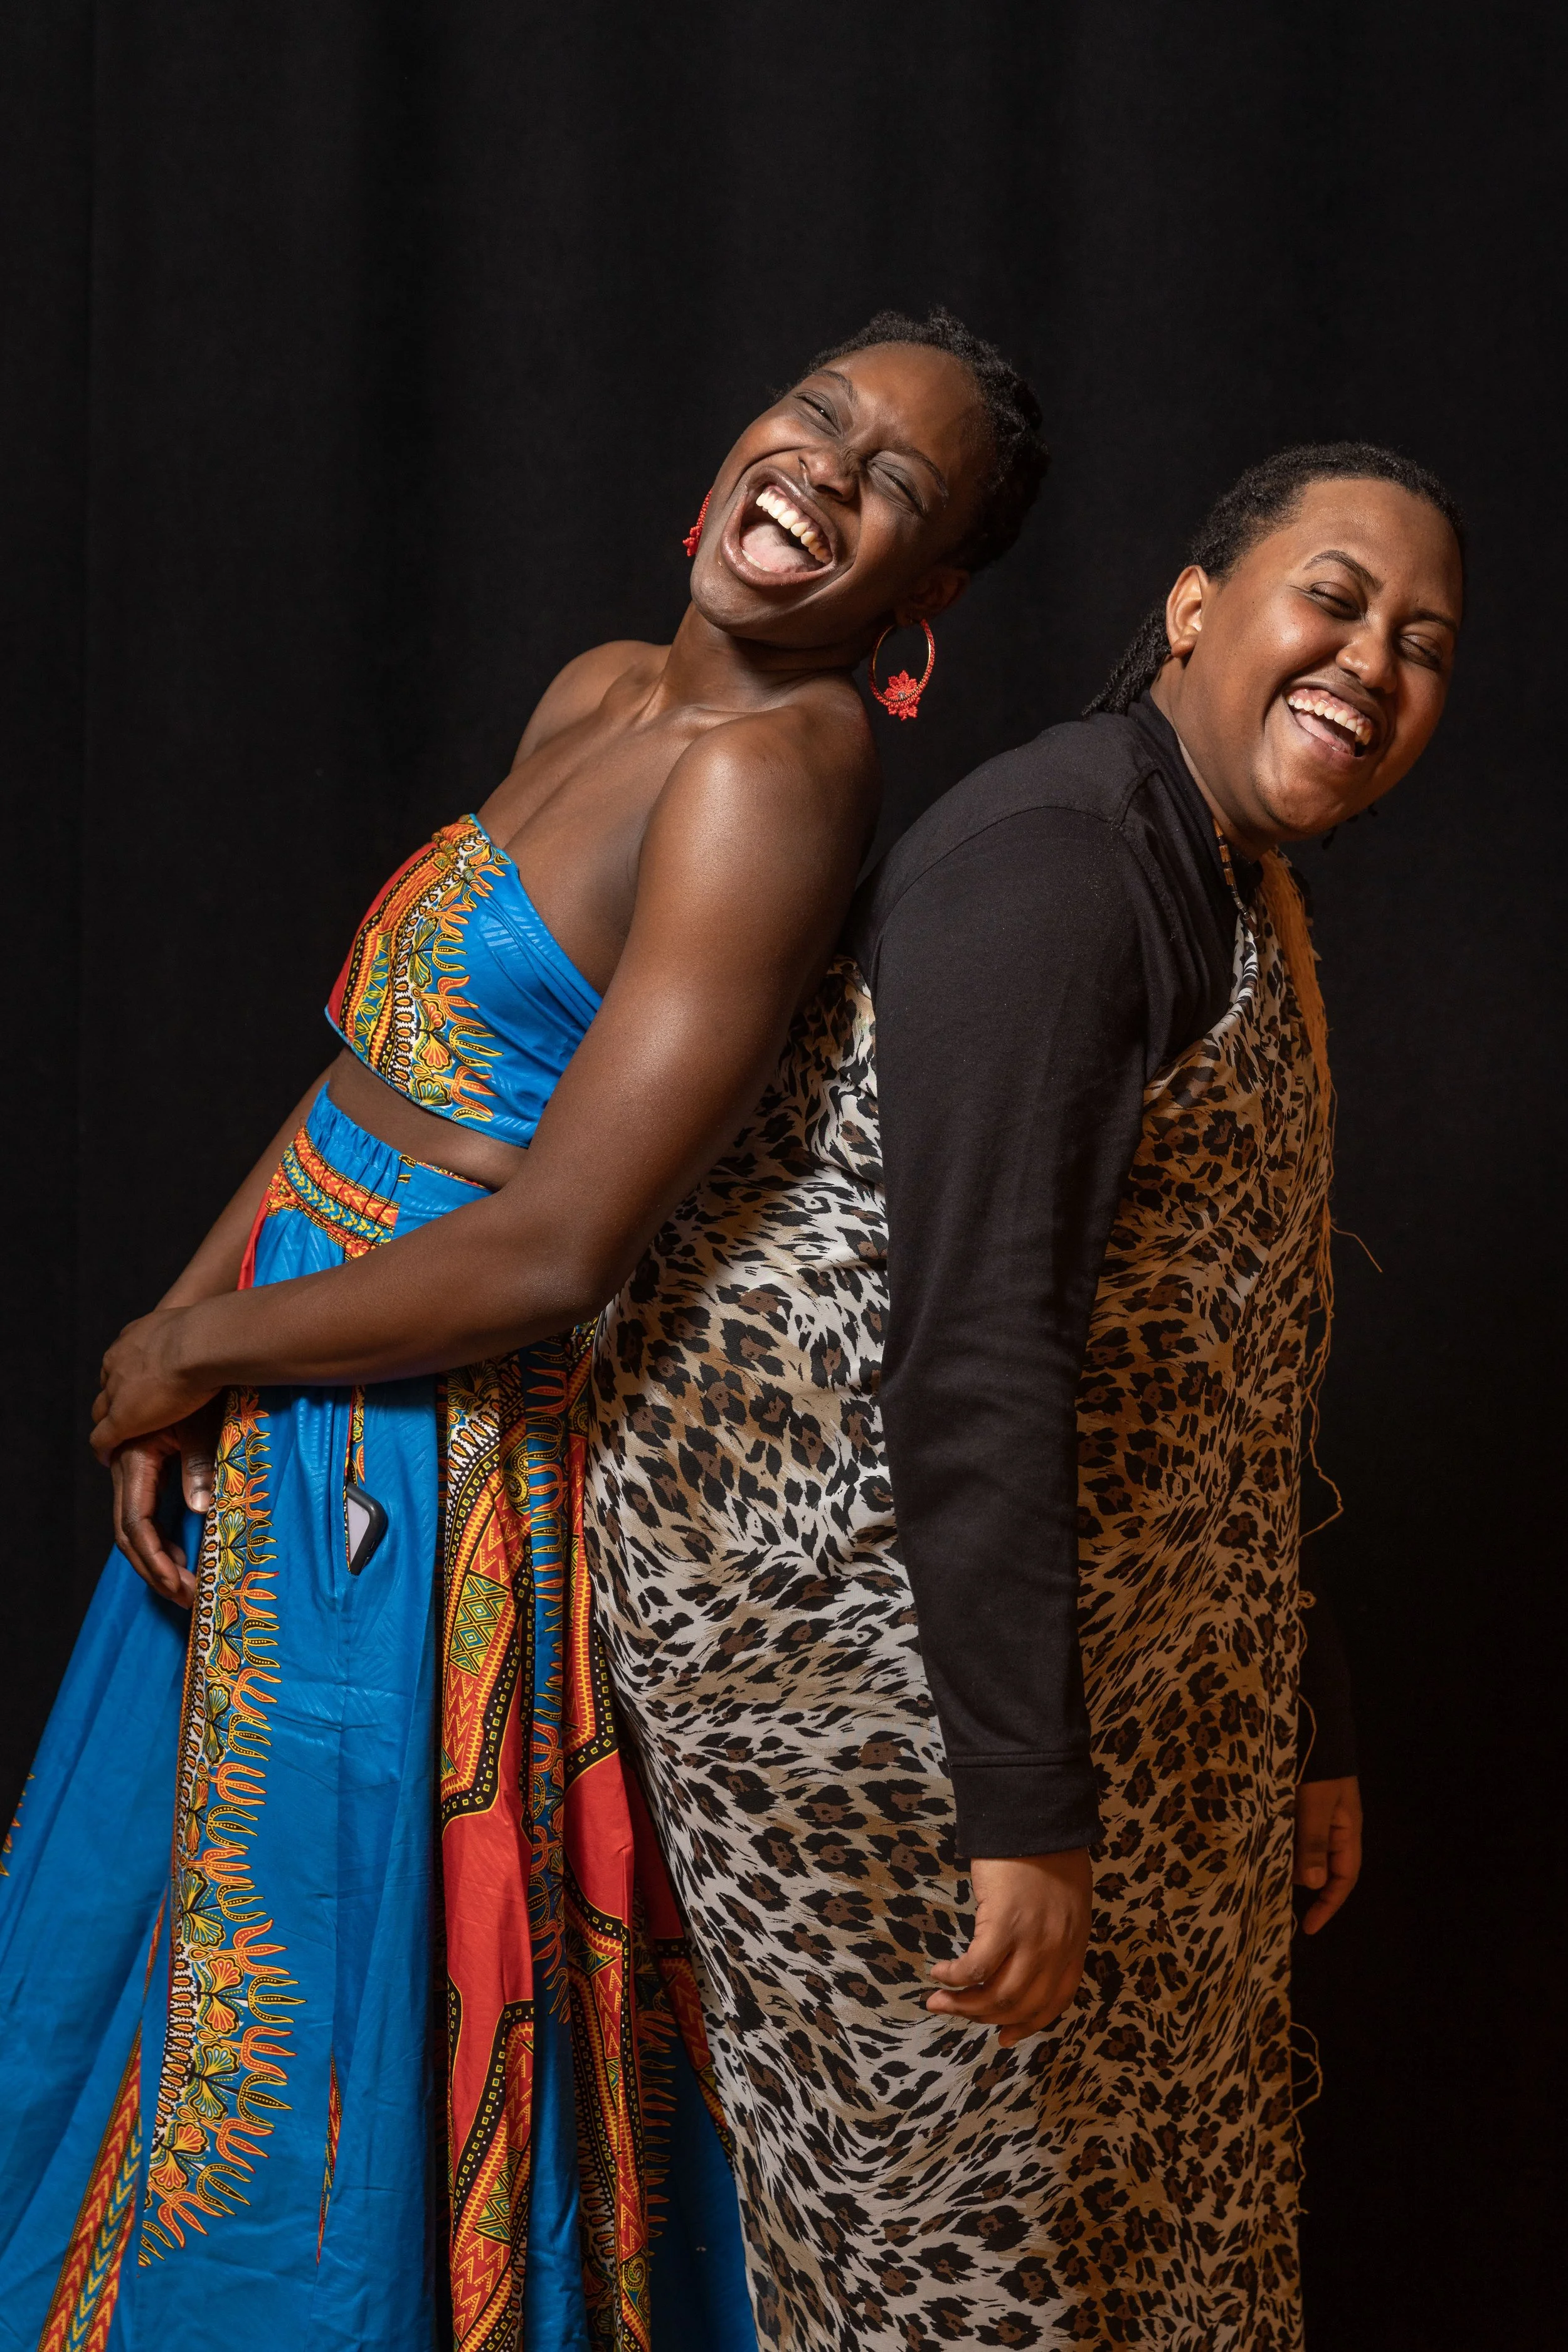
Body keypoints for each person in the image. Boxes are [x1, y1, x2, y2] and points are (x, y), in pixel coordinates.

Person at [0, 311, 1047, 2351]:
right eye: (819, 416)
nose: (823, 471)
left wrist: (220, 1353)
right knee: (147, 1938)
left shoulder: (780, 768)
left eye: (893, 484)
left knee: (309, 2037)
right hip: (301, 1355)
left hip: (429, 1446)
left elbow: (565, 1238)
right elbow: (374, 1072)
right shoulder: (604, 687)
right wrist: (192, 1310)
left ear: (918, 603)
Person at [583, 444, 1463, 2349]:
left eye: (1422, 642)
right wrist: (1021, 1807)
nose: (1370, 661)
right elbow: (970, 1343)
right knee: (970, 2276)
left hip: (1094, 1680)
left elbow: (1240, 1344)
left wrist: (1291, 1715)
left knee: (1164, 2230)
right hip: (880, 1699)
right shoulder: (1064, 864)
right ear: (1192, 604)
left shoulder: (1220, 875)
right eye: (1332, 597)